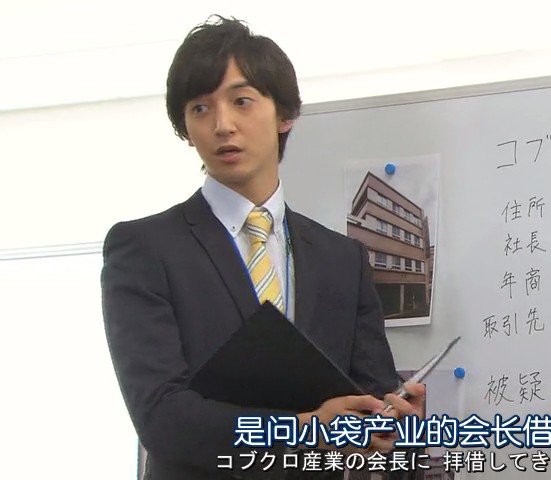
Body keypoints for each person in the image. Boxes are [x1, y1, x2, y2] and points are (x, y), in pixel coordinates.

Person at [101, 15, 424, 480]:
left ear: (284, 115)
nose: (222, 125)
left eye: (242, 101)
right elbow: (161, 417)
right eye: (200, 108)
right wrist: (304, 429)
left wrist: (400, 425)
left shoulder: (342, 259)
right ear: (185, 128)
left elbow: (371, 405)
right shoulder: (145, 248)